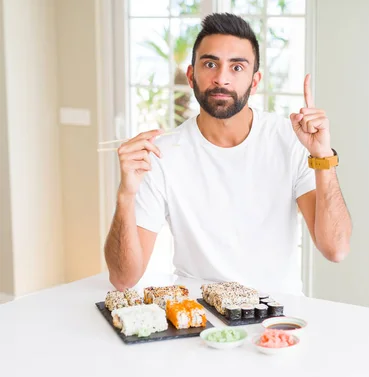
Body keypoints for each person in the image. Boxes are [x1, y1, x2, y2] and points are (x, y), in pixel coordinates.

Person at [104, 13, 352, 295]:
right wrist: (126, 195)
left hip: (276, 316)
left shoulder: (291, 140)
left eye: (237, 67)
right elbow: (123, 279)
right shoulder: (162, 154)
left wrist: (323, 158)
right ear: (191, 75)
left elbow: (336, 249)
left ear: (254, 81)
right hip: (197, 316)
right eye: (210, 64)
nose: (221, 78)